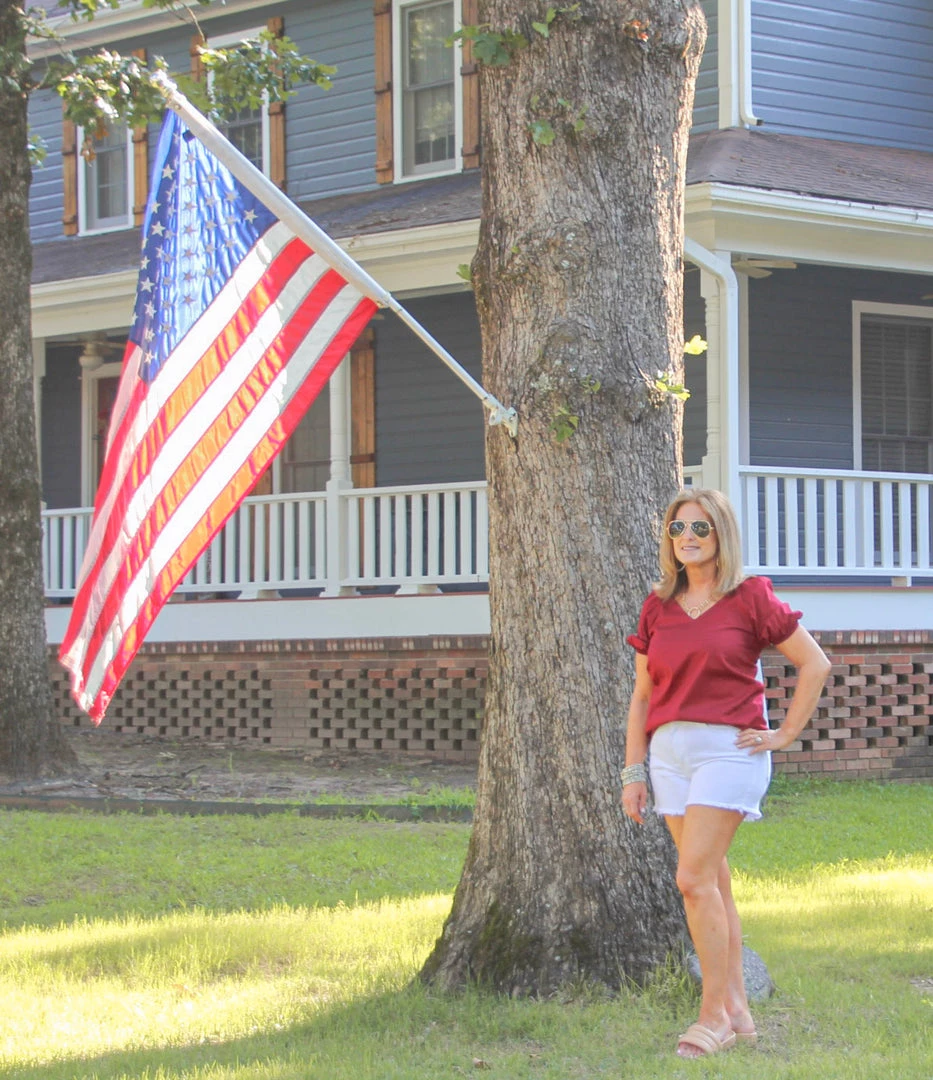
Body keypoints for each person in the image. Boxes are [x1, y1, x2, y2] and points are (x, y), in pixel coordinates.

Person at [621, 488, 830, 1058]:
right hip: (668, 757)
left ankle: (711, 1015)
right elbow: (642, 696)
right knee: (711, 882)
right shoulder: (658, 605)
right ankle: (737, 1006)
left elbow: (815, 664)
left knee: (692, 880)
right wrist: (632, 770)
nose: (687, 537)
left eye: (700, 528)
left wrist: (783, 735)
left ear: (722, 535)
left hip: (729, 752)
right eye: (677, 529)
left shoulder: (749, 597)